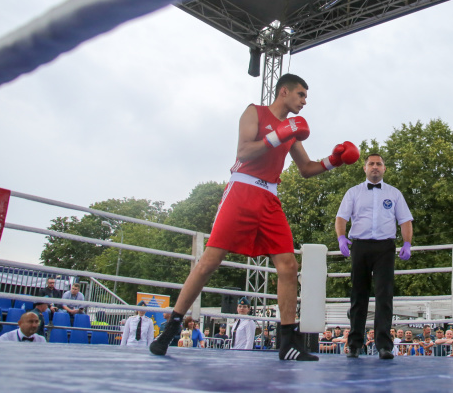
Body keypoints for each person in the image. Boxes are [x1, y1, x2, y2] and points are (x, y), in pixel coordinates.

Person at [150, 74, 360, 361]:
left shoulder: (292, 130)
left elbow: (306, 168)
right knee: (210, 260)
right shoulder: (254, 112)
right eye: (300, 95)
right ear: (283, 91)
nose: (304, 101)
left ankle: (288, 342)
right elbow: (244, 151)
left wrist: (333, 161)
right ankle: (172, 325)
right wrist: (279, 134)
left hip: (270, 197)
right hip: (242, 188)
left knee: (288, 265)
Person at [335, 152, 413, 360]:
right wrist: (341, 238)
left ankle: (384, 346)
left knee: (384, 296)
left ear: (384, 168)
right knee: (358, 297)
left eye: (379, 164)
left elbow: (405, 220)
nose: (375, 167)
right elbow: (341, 217)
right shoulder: (353, 192)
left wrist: (407, 242)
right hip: (359, 246)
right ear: (365, 168)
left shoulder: (394, 193)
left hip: (385, 248)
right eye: (371, 163)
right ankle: (354, 344)